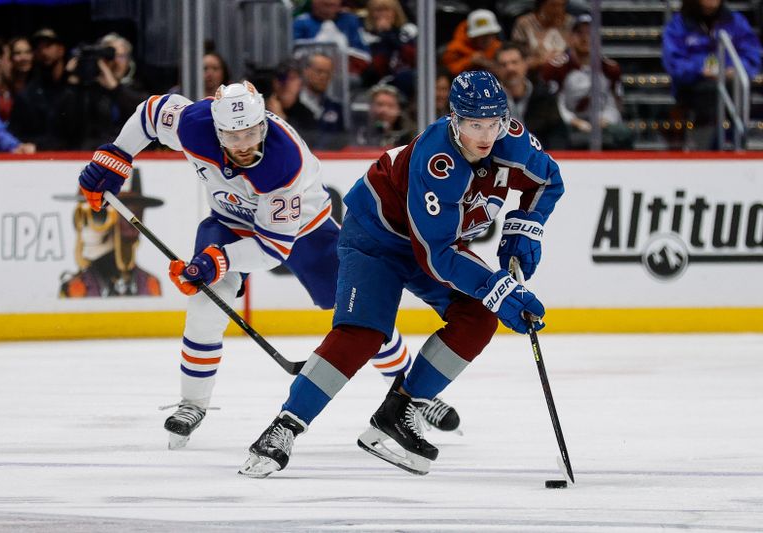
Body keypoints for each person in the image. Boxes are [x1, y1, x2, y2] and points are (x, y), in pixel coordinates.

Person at [76, 81, 461, 450]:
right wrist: (118, 154)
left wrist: (218, 260)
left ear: (263, 123)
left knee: (358, 314)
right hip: (227, 222)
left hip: (306, 231)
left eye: (251, 133)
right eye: (232, 136)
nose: (243, 146)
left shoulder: (283, 162)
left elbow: (273, 249)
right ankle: (192, 404)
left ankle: (410, 394)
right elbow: (150, 113)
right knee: (206, 302)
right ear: (216, 128)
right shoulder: (194, 124)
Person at [238, 70, 564, 479]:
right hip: (378, 237)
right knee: (363, 332)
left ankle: (398, 412)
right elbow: (438, 256)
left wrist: (524, 228)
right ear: (454, 120)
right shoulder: (437, 161)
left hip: (432, 242)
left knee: (479, 316)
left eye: (493, 123)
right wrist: (498, 287)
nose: (485, 135)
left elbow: (547, 179)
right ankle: (283, 427)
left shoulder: (510, 139)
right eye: (474, 124)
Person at [662, 0, 761, 149]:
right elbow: (674, 62)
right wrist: (699, 70)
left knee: (737, 90)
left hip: (729, 82)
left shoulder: (735, 21)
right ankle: (703, 145)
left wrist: (735, 68)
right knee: (710, 93)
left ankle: (738, 141)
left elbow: (752, 53)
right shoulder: (678, 25)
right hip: (693, 85)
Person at [59, 172, 163, 298]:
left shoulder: (149, 285)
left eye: (97, 217)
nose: (85, 232)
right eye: (80, 217)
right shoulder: (75, 288)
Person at [543, 15, 633, 150]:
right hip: (568, 123)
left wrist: (605, 120)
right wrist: (575, 121)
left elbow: (614, 103)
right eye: (579, 33)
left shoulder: (610, 68)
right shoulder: (557, 68)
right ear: (570, 37)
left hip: (601, 122)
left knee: (623, 133)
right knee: (554, 135)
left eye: (591, 33)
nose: (585, 38)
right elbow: (554, 104)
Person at [495, 43, 569, 150]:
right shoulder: (489, 100)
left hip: (538, 159)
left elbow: (558, 134)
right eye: (504, 64)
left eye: (514, 62)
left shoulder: (544, 97)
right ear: (497, 69)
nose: (510, 68)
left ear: (525, 64)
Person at [293, 0, 371, 75]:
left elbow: (365, 56)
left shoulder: (350, 20)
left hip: (348, 76)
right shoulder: (301, 23)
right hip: (311, 77)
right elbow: (294, 57)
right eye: (324, 2)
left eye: (333, 2)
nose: (329, 2)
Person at [361, 0, 417, 94]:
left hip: (403, 79)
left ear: (395, 12)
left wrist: (391, 37)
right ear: (371, 14)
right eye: (378, 10)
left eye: (387, 10)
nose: (383, 14)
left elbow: (415, 58)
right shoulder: (364, 35)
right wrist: (383, 36)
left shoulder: (408, 31)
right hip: (376, 82)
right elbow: (376, 69)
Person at [510, 0, 574, 74]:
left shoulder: (571, 23)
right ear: (541, 5)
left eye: (562, 5)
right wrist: (541, 61)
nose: (558, 10)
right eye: (553, 5)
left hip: (567, 74)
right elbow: (517, 59)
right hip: (535, 74)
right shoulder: (525, 24)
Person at [441, 9, 503, 77]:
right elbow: (448, 72)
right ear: (473, 37)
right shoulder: (456, 49)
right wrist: (469, 61)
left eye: (490, 34)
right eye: (482, 36)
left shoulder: (499, 47)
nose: (487, 39)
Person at [354, 83, 415, 147]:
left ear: (399, 109)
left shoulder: (409, 135)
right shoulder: (360, 133)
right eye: (379, 104)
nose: (384, 110)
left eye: (390, 105)